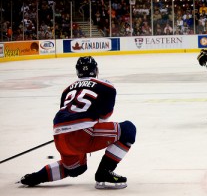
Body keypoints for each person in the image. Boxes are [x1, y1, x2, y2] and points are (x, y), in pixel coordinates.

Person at [19, 56, 137, 189]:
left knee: (76, 169)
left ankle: (35, 177)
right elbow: (105, 116)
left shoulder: (66, 90)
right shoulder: (106, 86)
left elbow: (66, 113)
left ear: (78, 72)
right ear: (96, 70)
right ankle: (104, 173)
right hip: (82, 135)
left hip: (59, 135)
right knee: (128, 130)